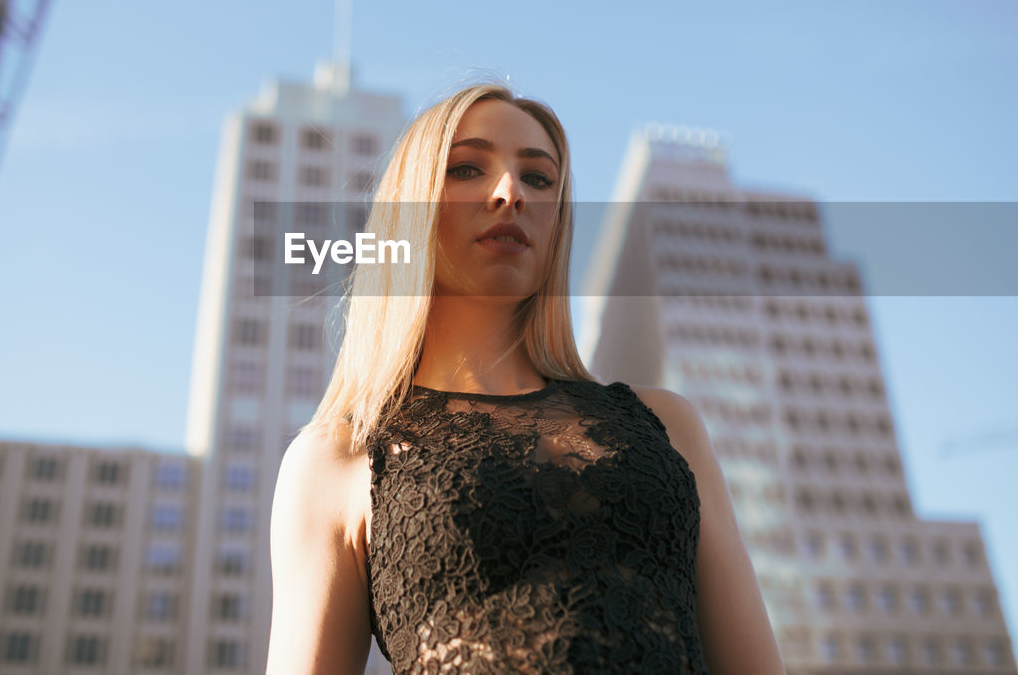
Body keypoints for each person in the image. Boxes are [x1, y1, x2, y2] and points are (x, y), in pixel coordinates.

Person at [266, 81, 785, 674]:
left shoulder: (669, 426)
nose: (510, 191)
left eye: (538, 178)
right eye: (466, 169)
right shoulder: (338, 459)